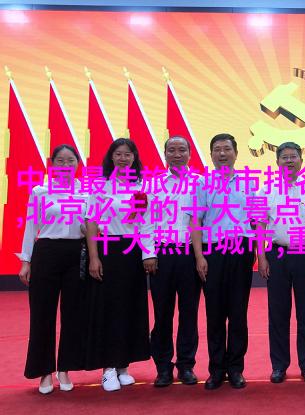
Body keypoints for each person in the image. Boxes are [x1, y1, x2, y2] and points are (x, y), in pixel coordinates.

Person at [84, 138, 155, 392]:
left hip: (133, 252)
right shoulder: (100, 186)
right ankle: (108, 369)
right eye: (118, 154)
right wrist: (94, 257)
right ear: (111, 158)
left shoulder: (141, 187)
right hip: (108, 250)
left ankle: (123, 365)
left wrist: (148, 254)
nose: (123, 158)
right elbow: (91, 222)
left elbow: (145, 223)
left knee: (130, 308)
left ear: (134, 158)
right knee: (109, 308)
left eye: (128, 154)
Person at [255, 142, 305, 384]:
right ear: (277, 162)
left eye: (293, 157)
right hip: (277, 254)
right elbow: (260, 225)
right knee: (278, 313)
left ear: (301, 161)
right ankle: (279, 365)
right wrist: (261, 257)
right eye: (284, 157)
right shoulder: (266, 190)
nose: (289, 161)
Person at [18, 144, 86, 394]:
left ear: (77, 164)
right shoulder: (41, 191)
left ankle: (65, 368)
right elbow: (31, 226)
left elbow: (90, 225)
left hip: (77, 254)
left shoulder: (86, 192)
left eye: (71, 161)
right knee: (42, 314)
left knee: (73, 315)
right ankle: (44, 371)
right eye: (61, 161)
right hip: (46, 253)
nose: (66, 165)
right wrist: (26, 260)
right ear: (53, 164)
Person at [190, 133, 255, 390]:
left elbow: (258, 221)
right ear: (211, 155)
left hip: (241, 250)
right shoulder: (203, 184)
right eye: (217, 149)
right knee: (215, 313)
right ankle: (216, 370)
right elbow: (196, 221)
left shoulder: (249, 183)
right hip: (213, 251)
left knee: (238, 312)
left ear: (236, 153)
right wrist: (199, 256)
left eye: (227, 149)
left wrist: (259, 253)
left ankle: (236, 368)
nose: (222, 154)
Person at [150, 136, 202, 387]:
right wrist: (148, 253)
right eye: (172, 150)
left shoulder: (201, 183)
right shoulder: (151, 184)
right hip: (160, 255)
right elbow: (143, 220)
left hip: (190, 254)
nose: (177, 154)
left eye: (182, 150)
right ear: (165, 154)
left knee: (189, 313)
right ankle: (162, 367)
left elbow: (203, 220)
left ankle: (186, 365)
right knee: (162, 313)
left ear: (190, 154)